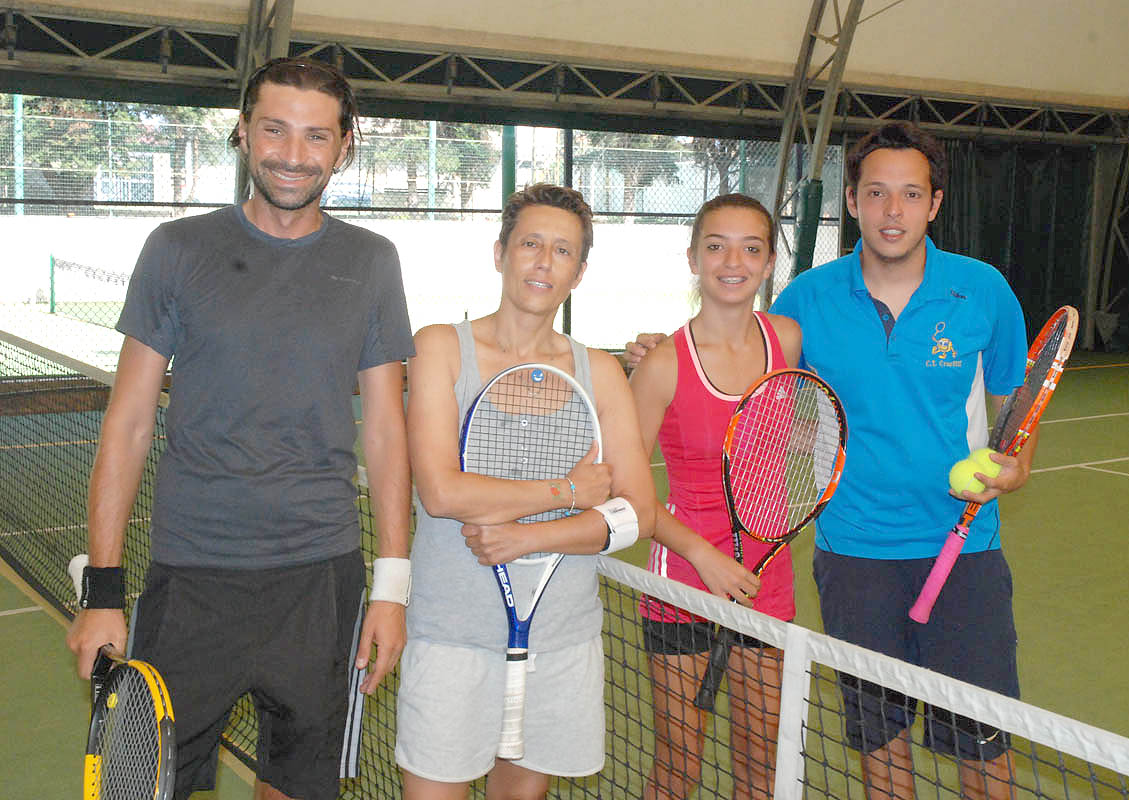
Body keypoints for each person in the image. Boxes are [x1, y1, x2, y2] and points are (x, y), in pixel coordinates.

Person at [626, 121, 1033, 800]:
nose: (892, 210)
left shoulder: (983, 290)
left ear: (934, 204)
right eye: (876, 193)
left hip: (963, 551)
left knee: (983, 746)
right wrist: (651, 351)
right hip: (853, 556)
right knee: (878, 742)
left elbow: (1014, 396)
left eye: (910, 194)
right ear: (852, 201)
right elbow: (735, 335)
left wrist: (1016, 464)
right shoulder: (806, 303)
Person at [66, 57, 414, 800]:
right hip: (192, 578)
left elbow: (386, 431)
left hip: (321, 583)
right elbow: (127, 423)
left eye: (316, 136)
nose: (293, 155)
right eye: (275, 130)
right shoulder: (176, 250)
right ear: (242, 132)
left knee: (297, 787)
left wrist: (392, 588)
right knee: (153, 787)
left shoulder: (373, 262)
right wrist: (102, 592)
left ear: (344, 147)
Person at [399, 183, 656, 800]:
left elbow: (637, 513)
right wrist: (566, 491)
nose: (544, 262)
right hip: (450, 635)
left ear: (580, 271)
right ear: (500, 253)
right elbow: (441, 492)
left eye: (563, 251)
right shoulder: (440, 347)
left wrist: (527, 538)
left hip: (560, 640)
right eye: (530, 244)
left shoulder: (600, 372)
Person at [628, 194, 801, 800]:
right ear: (693, 258)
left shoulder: (786, 339)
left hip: (766, 581)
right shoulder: (662, 364)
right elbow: (629, 489)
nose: (734, 262)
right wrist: (703, 557)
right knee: (678, 767)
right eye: (717, 246)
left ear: (770, 261)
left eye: (751, 248)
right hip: (683, 582)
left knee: (761, 764)